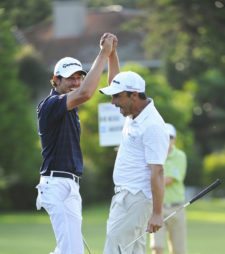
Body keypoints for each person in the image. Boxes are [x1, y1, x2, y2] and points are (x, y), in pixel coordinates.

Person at [35, 33, 116, 254]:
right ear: (56, 79)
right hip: (56, 184)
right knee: (72, 251)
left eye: (79, 77)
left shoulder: (70, 108)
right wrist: (103, 53)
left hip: (70, 185)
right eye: (71, 78)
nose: (76, 82)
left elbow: (112, 90)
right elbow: (87, 92)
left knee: (68, 250)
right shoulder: (50, 104)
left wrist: (112, 55)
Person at [99, 68, 170, 253]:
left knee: (114, 249)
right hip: (128, 197)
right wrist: (111, 54)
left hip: (134, 198)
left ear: (134, 95)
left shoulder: (152, 125)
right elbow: (115, 80)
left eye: (117, 97)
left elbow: (158, 172)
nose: (113, 102)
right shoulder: (134, 115)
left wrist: (157, 213)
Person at [150, 123, 187, 254]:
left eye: (170, 137)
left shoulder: (180, 156)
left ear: (174, 139)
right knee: (157, 247)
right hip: (158, 208)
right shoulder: (153, 155)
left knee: (178, 250)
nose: (167, 140)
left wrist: (154, 179)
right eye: (164, 136)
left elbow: (168, 181)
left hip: (177, 208)